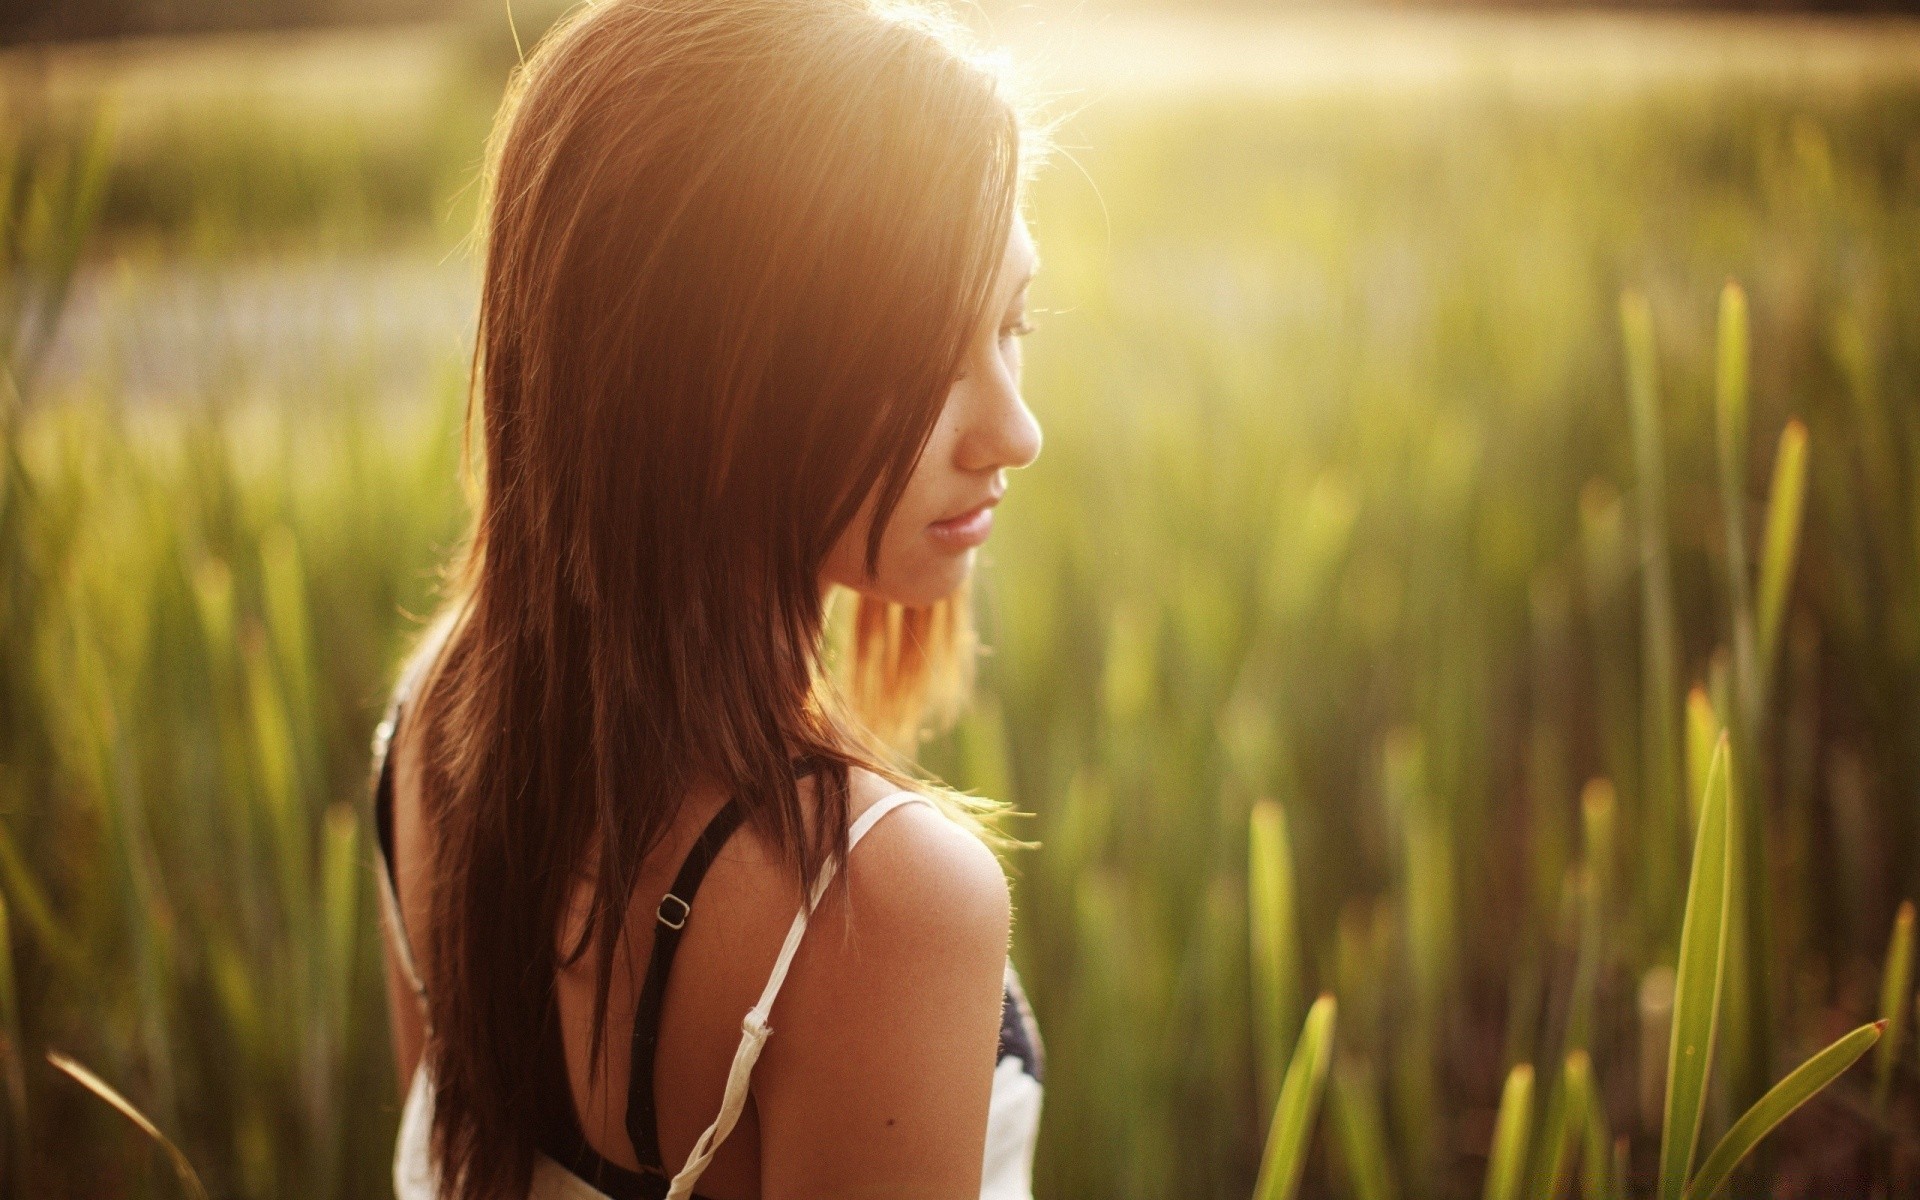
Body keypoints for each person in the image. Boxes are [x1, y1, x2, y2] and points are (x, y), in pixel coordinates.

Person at [368, 1, 1048, 1197]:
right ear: (709, 376)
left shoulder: (436, 718)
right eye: (926, 355)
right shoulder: (878, 910)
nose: (1017, 431)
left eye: (1013, 324)